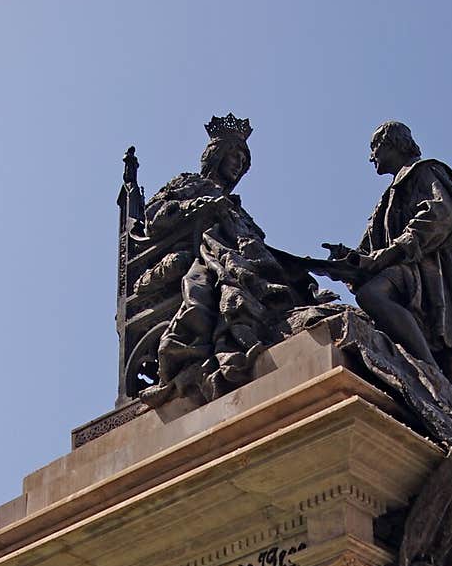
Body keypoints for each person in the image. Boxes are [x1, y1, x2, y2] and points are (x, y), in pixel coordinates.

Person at [126, 115, 323, 405]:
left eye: (243, 161)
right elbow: (155, 216)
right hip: (196, 252)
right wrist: (198, 207)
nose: (237, 164)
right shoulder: (190, 182)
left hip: (236, 254)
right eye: (233, 156)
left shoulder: (238, 207)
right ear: (216, 155)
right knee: (214, 280)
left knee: (286, 276)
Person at [315, 121, 452, 386]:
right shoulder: (387, 200)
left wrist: (394, 251)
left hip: (428, 271)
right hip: (410, 271)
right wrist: (346, 258)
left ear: (392, 144)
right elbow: (368, 251)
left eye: (374, 147)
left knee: (372, 295)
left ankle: (429, 371)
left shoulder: (425, 172)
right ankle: (451, 391)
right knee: (443, 357)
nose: (371, 156)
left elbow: (441, 215)